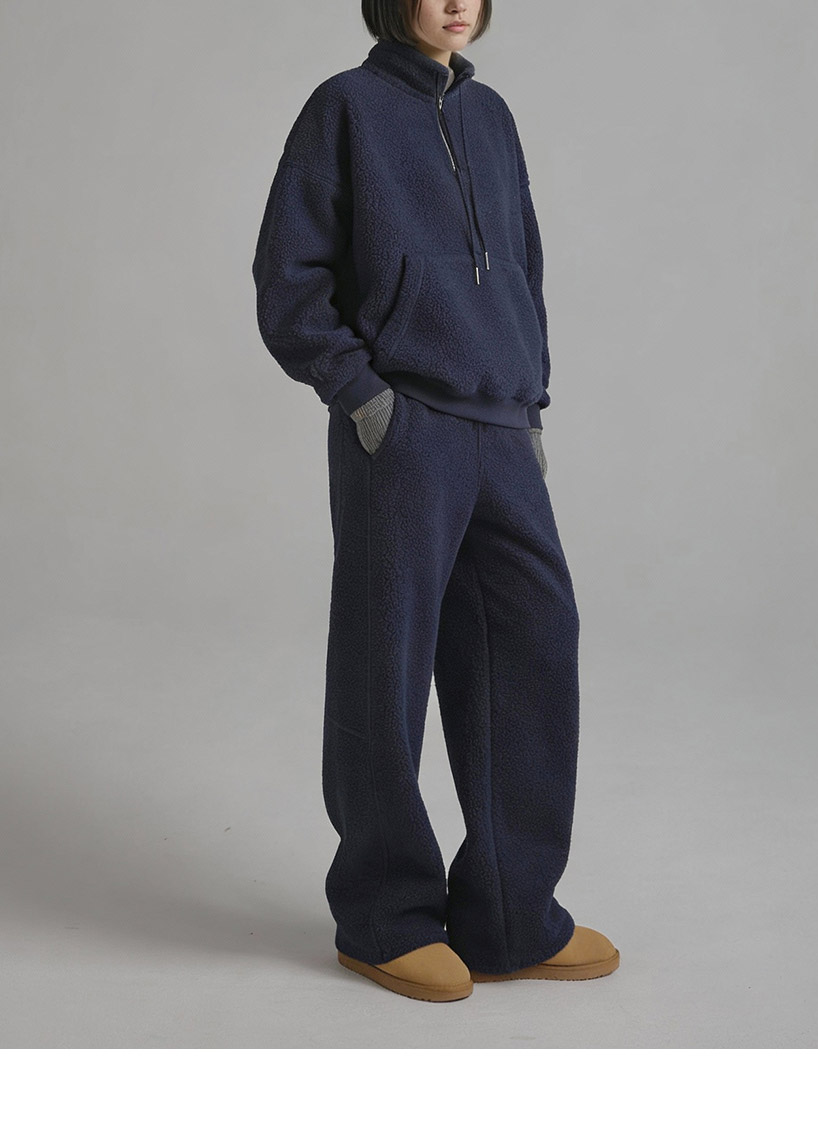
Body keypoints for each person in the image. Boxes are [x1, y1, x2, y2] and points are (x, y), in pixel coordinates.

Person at [252, 0, 619, 1002]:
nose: (456, 2)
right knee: (388, 665)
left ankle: (511, 914)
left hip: (500, 423)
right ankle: (385, 916)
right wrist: (363, 397)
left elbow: (523, 267)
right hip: (404, 425)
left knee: (535, 646)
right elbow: (288, 276)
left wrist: (529, 399)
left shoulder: (491, 116)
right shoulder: (346, 108)